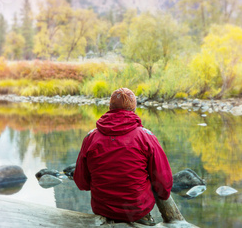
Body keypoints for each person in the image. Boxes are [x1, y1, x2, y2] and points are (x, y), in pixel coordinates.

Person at [74, 88, 173, 226]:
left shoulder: (91, 137)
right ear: (134, 108)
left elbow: (81, 182)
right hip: (137, 212)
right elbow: (164, 183)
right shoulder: (146, 137)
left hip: (102, 211)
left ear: (110, 107)